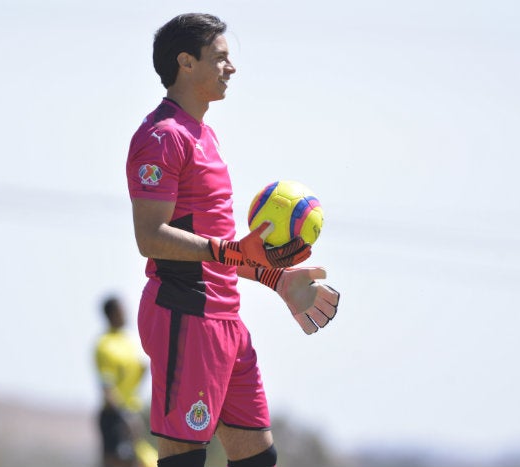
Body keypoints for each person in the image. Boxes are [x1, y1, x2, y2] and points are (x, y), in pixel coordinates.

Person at [125, 13, 340, 467]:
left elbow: (224, 247)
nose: (232, 67)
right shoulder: (162, 137)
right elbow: (150, 237)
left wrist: (277, 280)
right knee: (184, 460)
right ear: (185, 62)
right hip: (184, 313)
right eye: (220, 57)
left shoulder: (206, 136)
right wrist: (227, 252)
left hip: (225, 321)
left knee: (258, 458)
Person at [94, 296, 158, 467]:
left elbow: (140, 372)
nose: (126, 314)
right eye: (122, 310)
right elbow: (107, 387)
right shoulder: (104, 345)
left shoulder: (129, 341)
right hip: (114, 416)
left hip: (132, 412)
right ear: (113, 314)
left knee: (138, 461)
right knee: (117, 462)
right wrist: (123, 416)